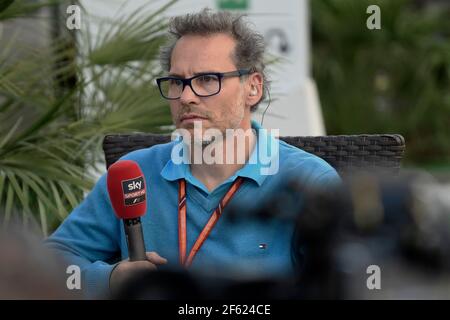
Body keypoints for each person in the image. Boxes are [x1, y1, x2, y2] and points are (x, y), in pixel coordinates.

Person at [45, 8, 340, 299]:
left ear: (253, 87)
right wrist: (109, 279)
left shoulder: (309, 182)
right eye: (177, 82)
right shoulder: (135, 173)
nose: (186, 96)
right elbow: (49, 263)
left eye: (207, 80)